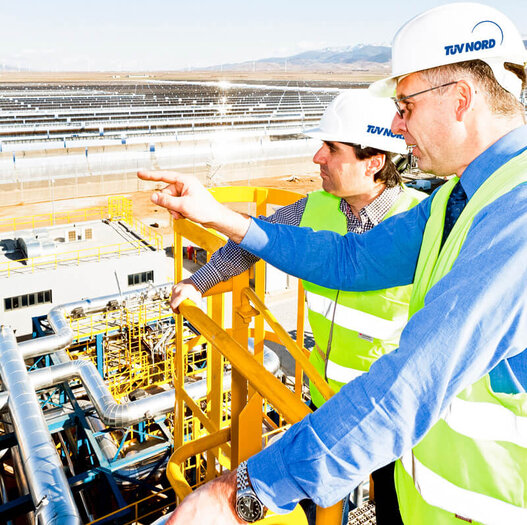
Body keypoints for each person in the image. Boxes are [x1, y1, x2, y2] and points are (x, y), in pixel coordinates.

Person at [139, 3, 527, 524]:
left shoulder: (516, 212)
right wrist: (218, 217)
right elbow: (352, 259)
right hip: (418, 487)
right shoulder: (459, 196)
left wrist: (240, 494)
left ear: (460, 99)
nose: (396, 123)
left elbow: (414, 381)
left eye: (405, 105)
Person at [170, 88, 425, 524]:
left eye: (331, 147)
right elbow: (253, 241)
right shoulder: (316, 207)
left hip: (393, 411)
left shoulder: (421, 222)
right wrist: (199, 282)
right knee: (325, 500)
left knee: (396, 505)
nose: (316, 158)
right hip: (326, 395)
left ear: (375, 161)